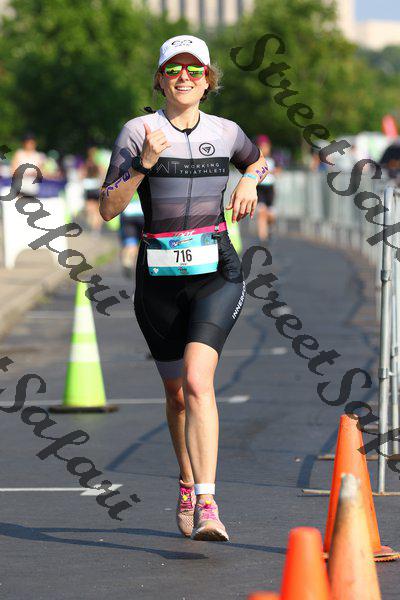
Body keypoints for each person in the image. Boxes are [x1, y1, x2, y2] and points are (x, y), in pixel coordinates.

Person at [99, 35, 268, 542]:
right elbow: (107, 208)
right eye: (174, 70)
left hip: (217, 271)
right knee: (176, 395)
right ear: (160, 79)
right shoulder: (138, 132)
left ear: (208, 79)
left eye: (195, 70)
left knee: (198, 381)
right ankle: (188, 482)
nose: (185, 78)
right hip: (158, 279)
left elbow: (257, 160)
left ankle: (208, 503)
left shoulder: (226, 131)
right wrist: (143, 164)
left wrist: (250, 180)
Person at [255, 134, 280, 242]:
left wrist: (272, 171)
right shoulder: (256, 159)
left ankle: (270, 227)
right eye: (261, 147)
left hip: (270, 188)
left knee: (270, 214)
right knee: (261, 212)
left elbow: (279, 170)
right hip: (260, 187)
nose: (264, 149)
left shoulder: (273, 158)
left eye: (265, 147)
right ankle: (263, 237)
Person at [80, 146, 106, 233]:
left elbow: (82, 174)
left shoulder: (87, 163)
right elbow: (103, 174)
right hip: (96, 187)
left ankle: (94, 227)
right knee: (96, 210)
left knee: (90, 209)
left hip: (88, 187)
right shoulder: (99, 163)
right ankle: (96, 228)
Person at [119, 190, 144, 278]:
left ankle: (127, 262)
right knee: (143, 243)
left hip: (128, 213)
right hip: (142, 213)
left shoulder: (126, 181)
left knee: (130, 242)